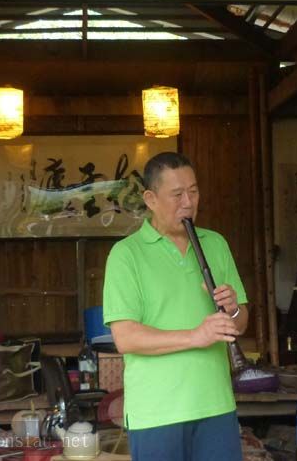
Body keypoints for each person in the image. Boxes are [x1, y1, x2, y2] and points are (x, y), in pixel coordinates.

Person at [103, 151, 248, 461]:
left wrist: (234, 310)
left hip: (216, 404)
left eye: (193, 192)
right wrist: (196, 336)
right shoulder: (126, 254)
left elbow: (240, 322)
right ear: (151, 199)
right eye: (177, 194)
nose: (188, 202)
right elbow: (125, 338)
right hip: (157, 413)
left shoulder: (215, 244)